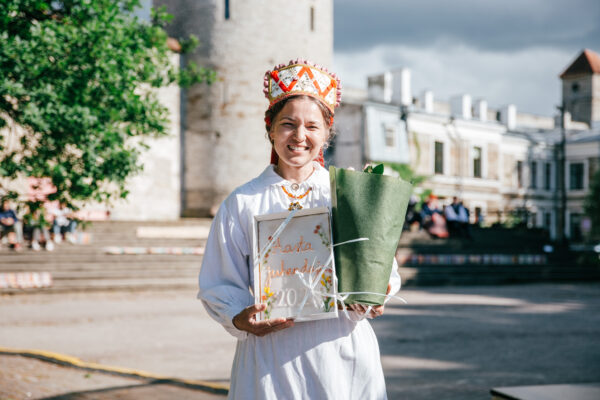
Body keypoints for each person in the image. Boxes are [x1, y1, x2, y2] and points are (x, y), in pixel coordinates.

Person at [198, 59, 401, 399]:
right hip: (271, 357)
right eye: (288, 124)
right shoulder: (244, 201)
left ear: (327, 133)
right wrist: (239, 317)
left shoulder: (348, 194)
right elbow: (219, 280)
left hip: (342, 351)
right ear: (270, 129)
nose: (299, 136)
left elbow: (382, 268)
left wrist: (376, 294)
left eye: (312, 126)